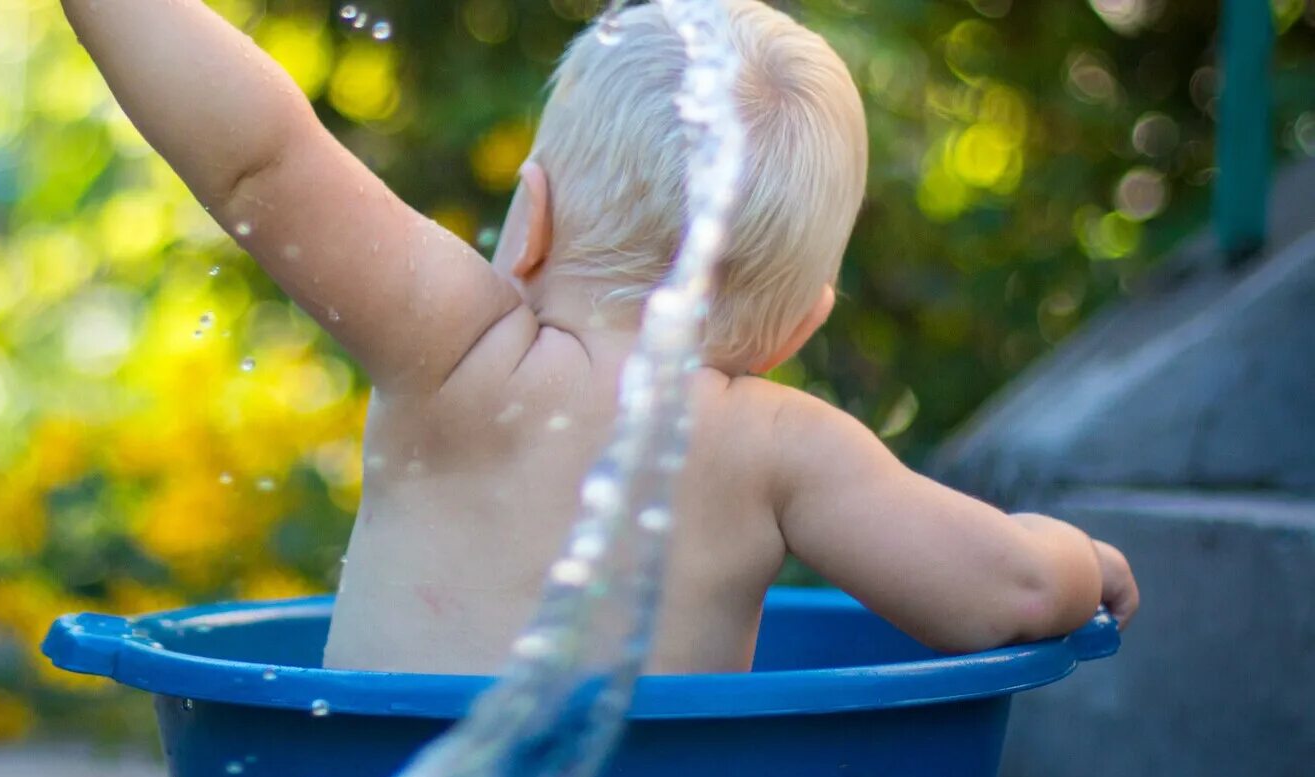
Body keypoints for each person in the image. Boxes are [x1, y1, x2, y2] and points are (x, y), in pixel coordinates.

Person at [59, 0, 1138, 675]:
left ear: (524, 220)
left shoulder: (455, 355)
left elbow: (263, 161)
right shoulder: (782, 446)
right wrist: (1075, 556)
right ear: (804, 320)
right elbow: (1005, 592)